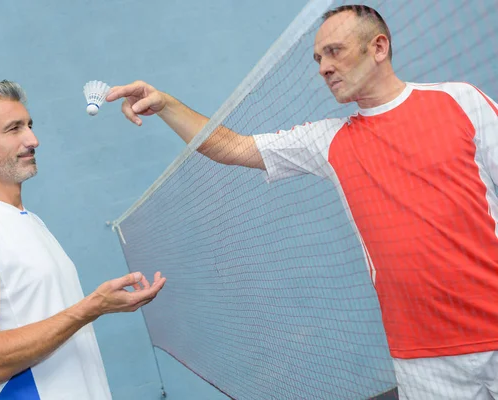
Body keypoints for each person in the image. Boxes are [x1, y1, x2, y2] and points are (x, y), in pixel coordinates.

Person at [106, 4, 498, 399]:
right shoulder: (328, 140)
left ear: (378, 47)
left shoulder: (460, 101)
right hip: (421, 356)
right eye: (317, 58)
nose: (323, 68)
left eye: (335, 51)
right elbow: (230, 147)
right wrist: (166, 104)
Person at [0, 80, 166, 400]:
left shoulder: (32, 222)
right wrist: (90, 309)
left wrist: (94, 308)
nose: (33, 139)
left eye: (29, 125)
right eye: (14, 129)